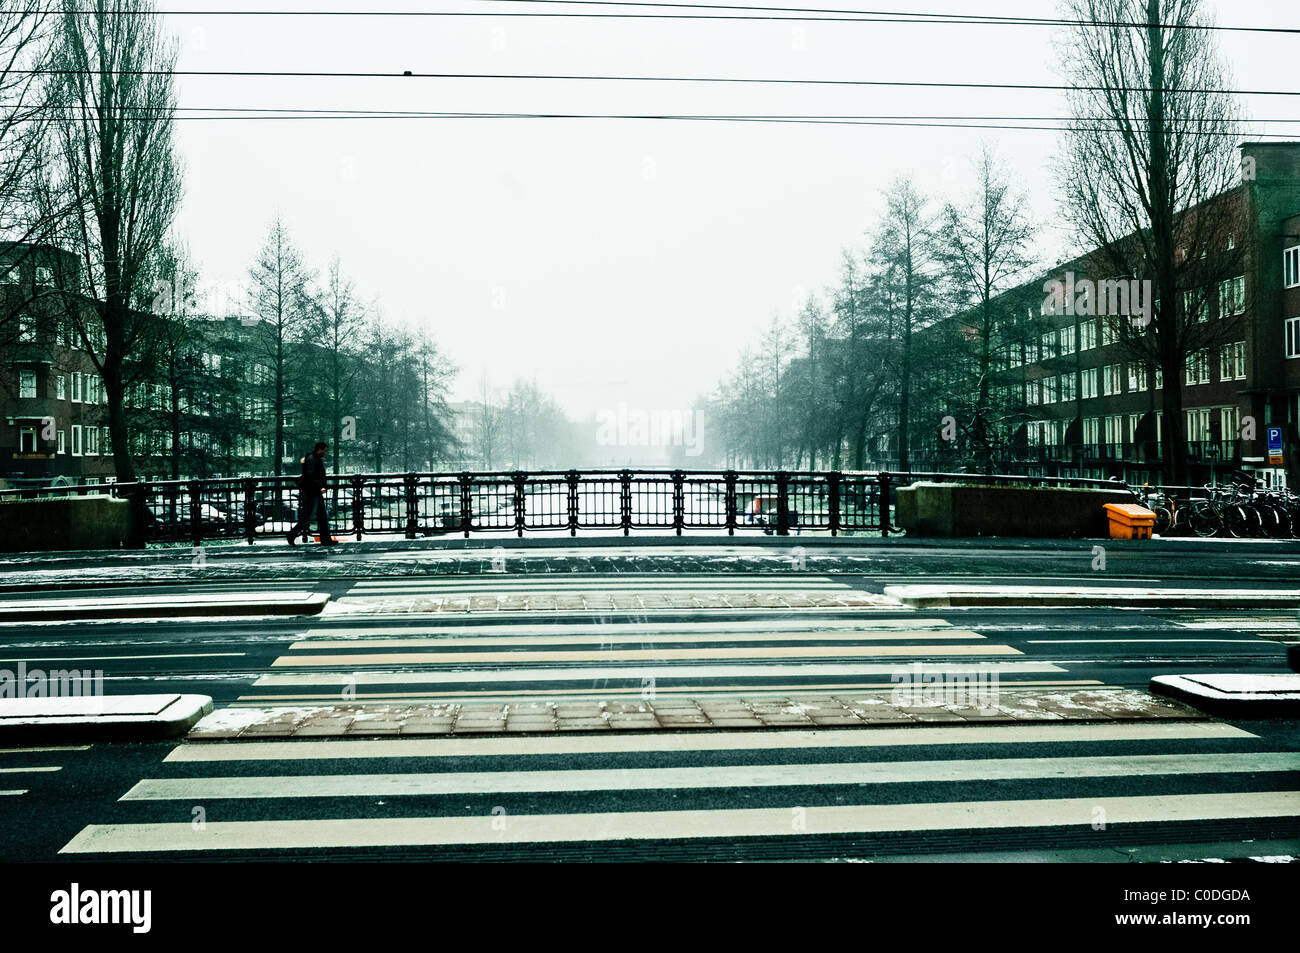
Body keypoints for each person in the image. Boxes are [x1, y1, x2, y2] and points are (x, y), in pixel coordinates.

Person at [288, 442, 336, 546]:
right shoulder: (313, 459)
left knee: (322, 515)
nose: (325, 453)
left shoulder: (313, 458)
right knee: (309, 515)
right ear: (319, 449)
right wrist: (321, 486)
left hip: (314, 491)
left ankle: (326, 540)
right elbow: (311, 475)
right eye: (325, 450)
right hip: (312, 491)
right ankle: (292, 534)